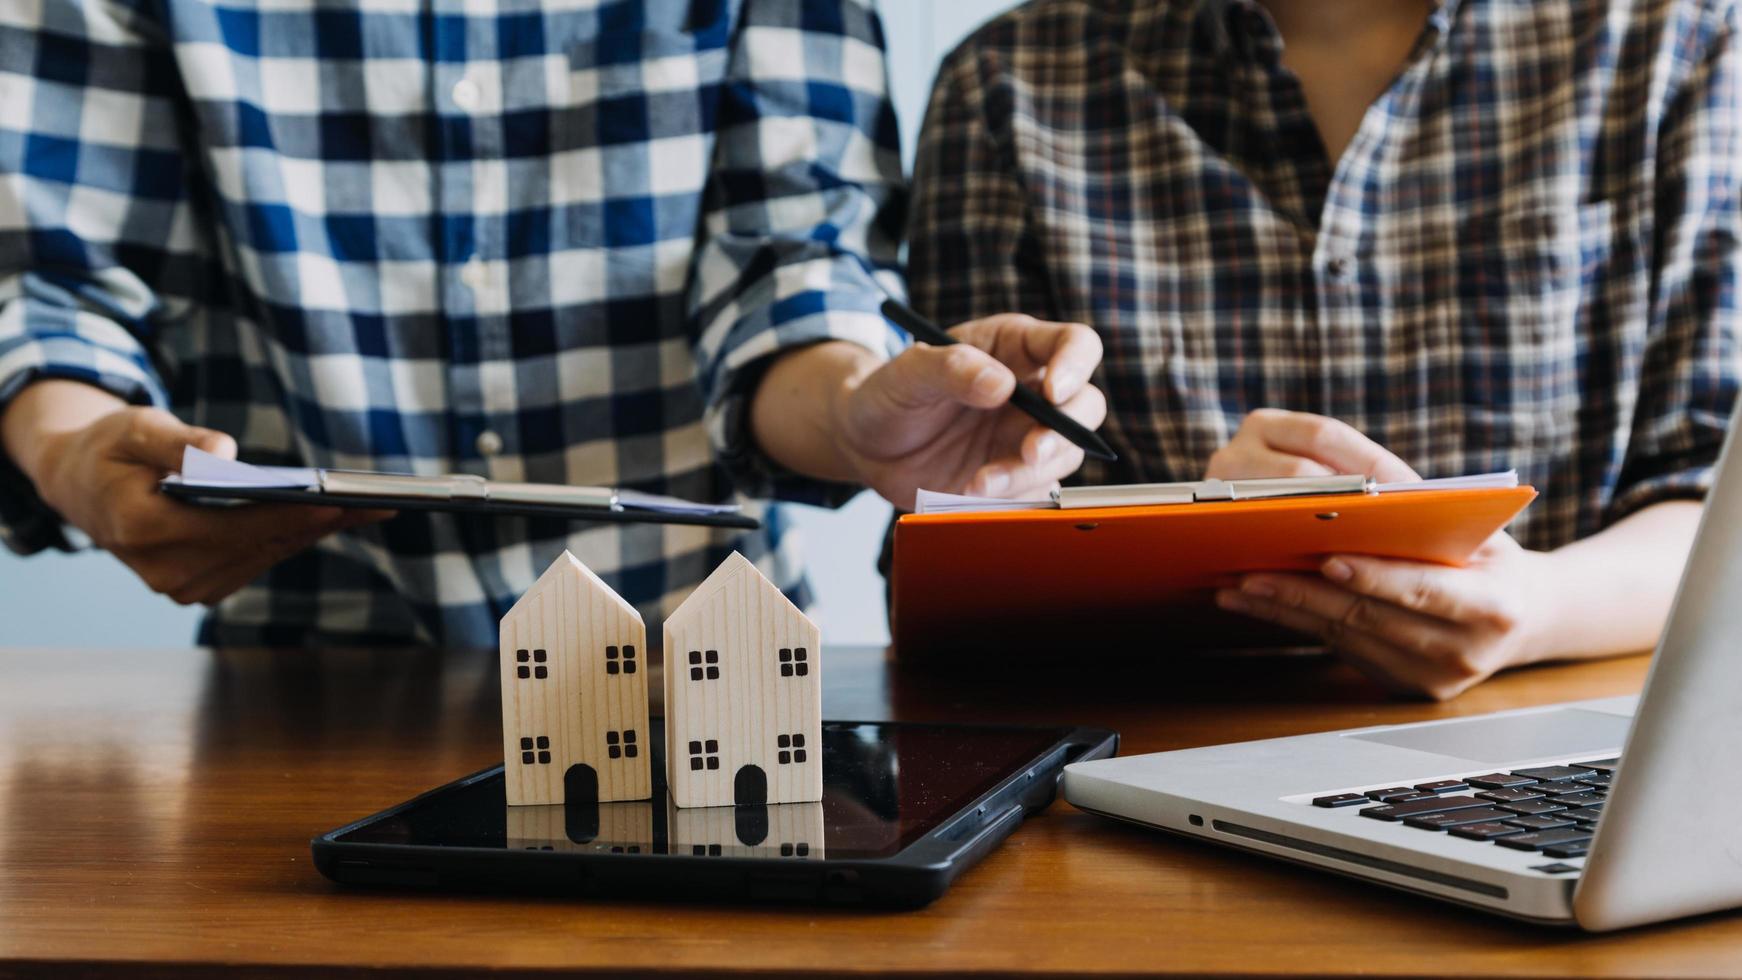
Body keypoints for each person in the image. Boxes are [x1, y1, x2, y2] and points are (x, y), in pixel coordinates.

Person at [0, 0, 1106, 646]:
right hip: (300, 669)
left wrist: (865, 419)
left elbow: (786, 263)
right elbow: (50, 275)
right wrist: (67, 453)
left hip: (702, 650)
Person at [908, 0, 1740, 698]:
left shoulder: (1680, 44)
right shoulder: (1008, 81)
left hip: (1554, 752)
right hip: (1143, 768)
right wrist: (1202, 540)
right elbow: (950, 566)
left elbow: (1714, 498)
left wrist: (1541, 605)